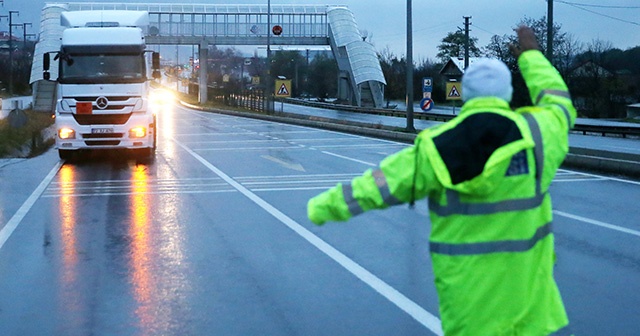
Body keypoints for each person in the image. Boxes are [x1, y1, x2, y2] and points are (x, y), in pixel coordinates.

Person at [307, 26, 574, 335]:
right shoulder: (539, 135)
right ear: (508, 94)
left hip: (470, 317)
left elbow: (378, 185)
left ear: (466, 96)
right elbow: (557, 101)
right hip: (535, 317)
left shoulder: (435, 147)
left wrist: (322, 207)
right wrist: (532, 56)